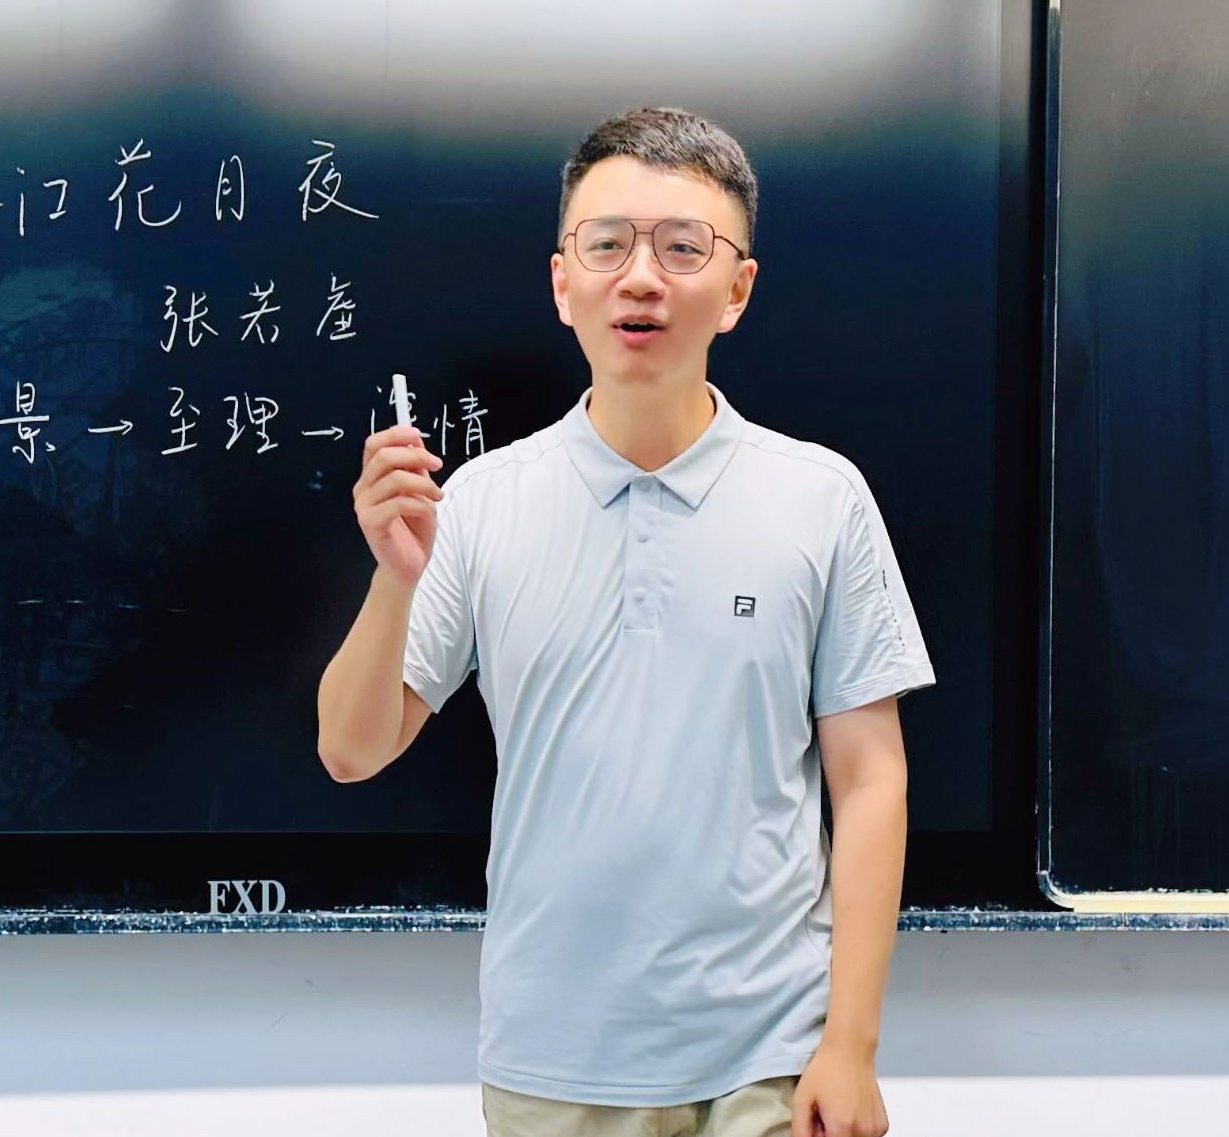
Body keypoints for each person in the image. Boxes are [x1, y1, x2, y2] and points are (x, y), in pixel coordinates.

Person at [316, 107, 934, 1137]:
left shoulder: (819, 498)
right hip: (554, 1059)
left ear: (736, 290)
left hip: (771, 1059)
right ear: (563, 283)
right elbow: (350, 748)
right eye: (607, 245)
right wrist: (392, 578)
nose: (640, 277)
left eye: (682, 247)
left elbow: (869, 780)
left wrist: (851, 1044)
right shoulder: (481, 502)